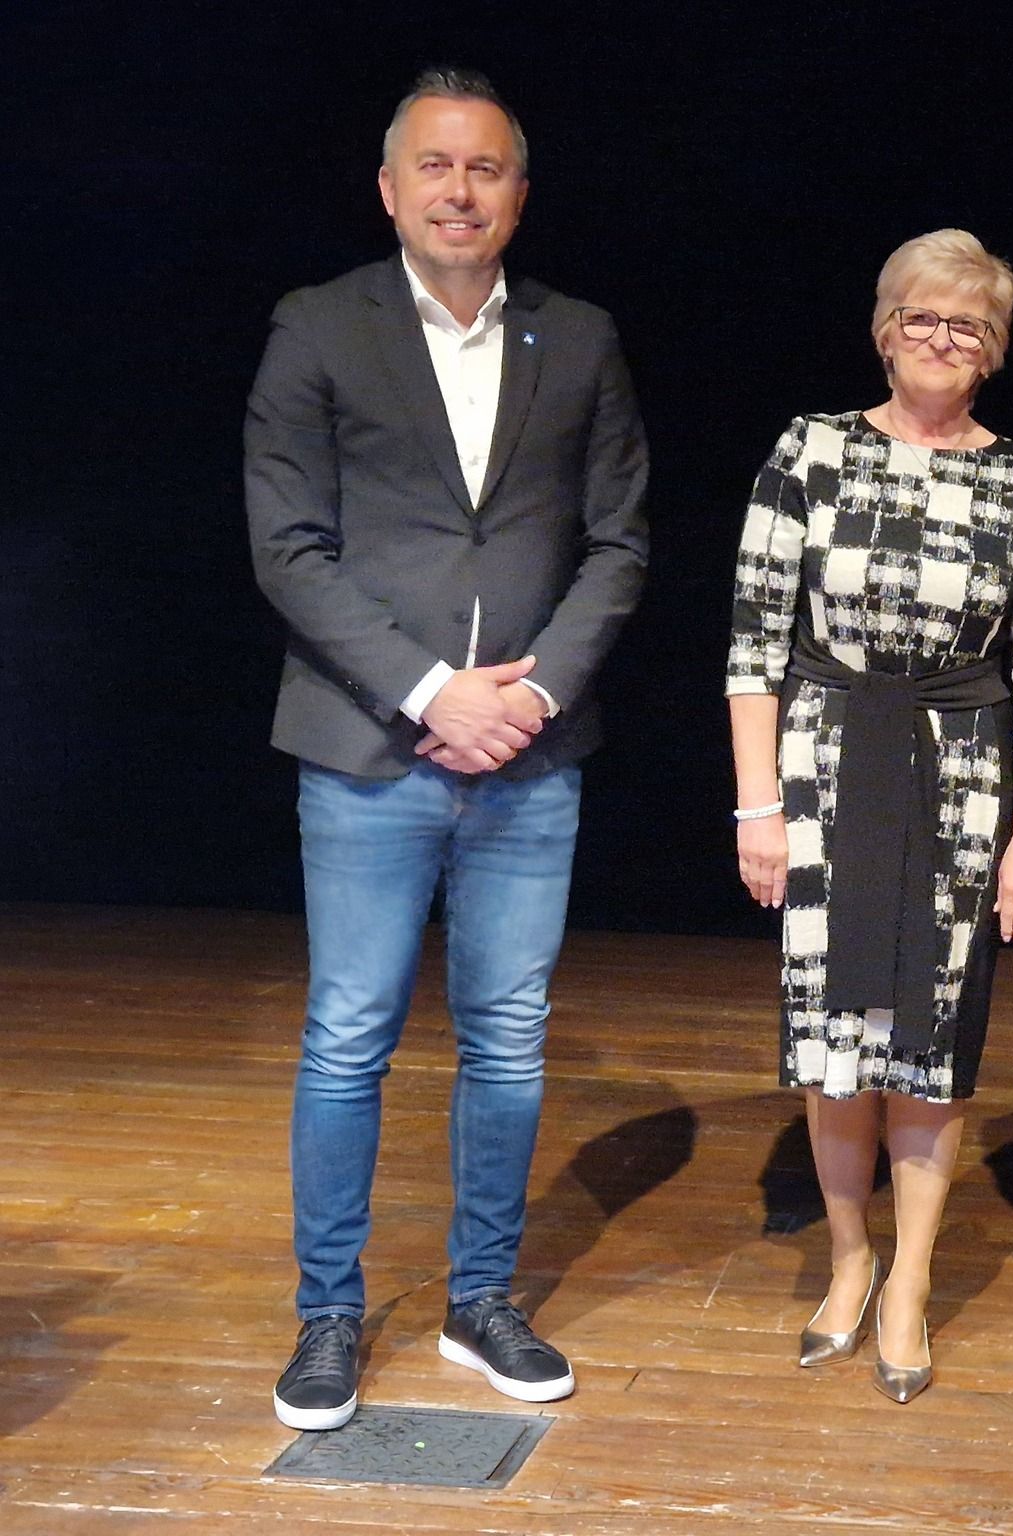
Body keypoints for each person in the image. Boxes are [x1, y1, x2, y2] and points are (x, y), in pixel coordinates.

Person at [245, 68, 650, 1431]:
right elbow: (288, 549)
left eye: (484, 169)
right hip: (370, 748)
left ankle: (482, 1300)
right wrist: (430, 692)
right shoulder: (318, 326)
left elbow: (618, 544)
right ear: (388, 188)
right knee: (348, 1035)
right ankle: (328, 1314)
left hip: (529, 757)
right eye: (434, 165)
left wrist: (529, 701)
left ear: (518, 195)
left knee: (511, 1040)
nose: (459, 190)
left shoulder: (577, 338)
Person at [725, 229, 1013, 1404]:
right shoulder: (810, 448)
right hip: (825, 763)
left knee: (927, 1044)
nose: (941, 340)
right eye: (921, 318)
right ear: (885, 331)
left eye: (966, 325)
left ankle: (911, 1279)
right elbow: (752, 643)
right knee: (835, 1046)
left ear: (994, 349)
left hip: (961, 774)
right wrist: (757, 804)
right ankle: (848, 1258)